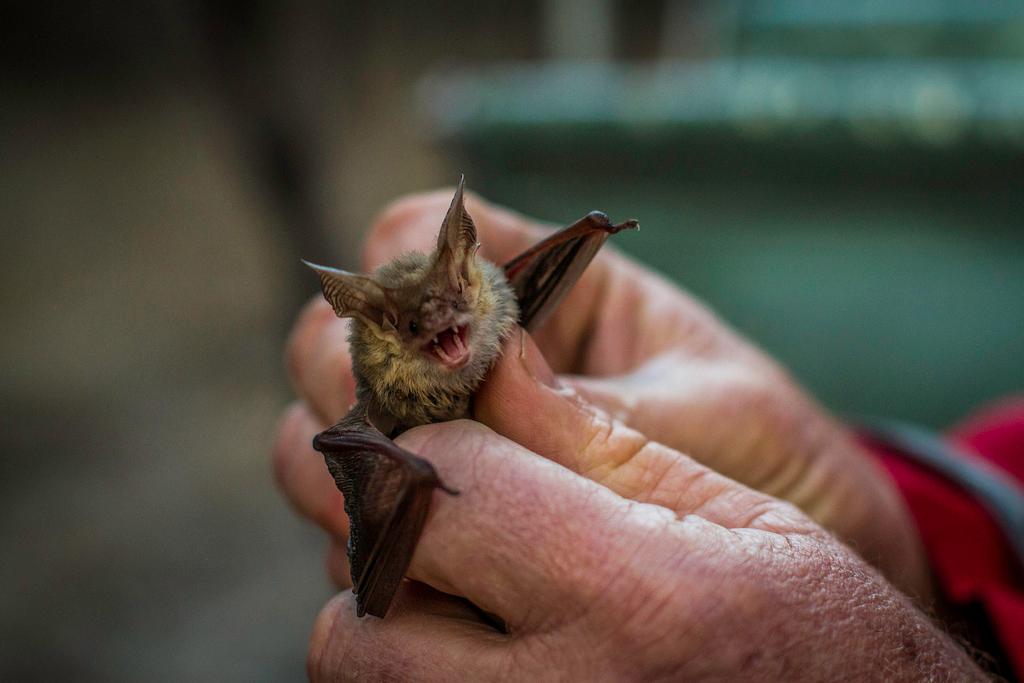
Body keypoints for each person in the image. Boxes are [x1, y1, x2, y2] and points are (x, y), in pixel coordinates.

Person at [273, 189, 1022, 681]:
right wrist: (904, 535)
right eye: (416, 324)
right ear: (381, 328)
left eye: (450, 304)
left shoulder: (494, 297)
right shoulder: (386, 383)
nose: (443, 328)